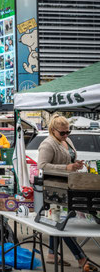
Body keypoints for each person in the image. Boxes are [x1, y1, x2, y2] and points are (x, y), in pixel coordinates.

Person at [38, 115, 93, 270]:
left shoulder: (67, 140)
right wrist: (66, 168)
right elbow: (41, 165)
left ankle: (51, 254)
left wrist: (75, 164)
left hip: (68, 184)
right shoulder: (47, 144)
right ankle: (81, 257)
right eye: (62, 133)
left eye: (68, 131)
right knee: (63, 223)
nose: (66, 135)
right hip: (54, 188)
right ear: (53, 130)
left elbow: (68, 159)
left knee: (59, 221)